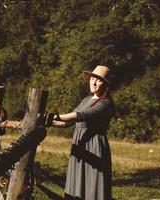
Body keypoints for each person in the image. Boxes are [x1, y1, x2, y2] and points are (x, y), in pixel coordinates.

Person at [51, 65, 115, 200]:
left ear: (106, 84)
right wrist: (48, 122)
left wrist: (56, 116)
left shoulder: (106, 103)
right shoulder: (86, 100)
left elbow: (82, 115)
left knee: (93, 184)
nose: (94, 82)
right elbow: (68, 123)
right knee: (77, 182)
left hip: (94, 146)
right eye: (92, 78)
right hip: (80, 144)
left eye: (99, 80)